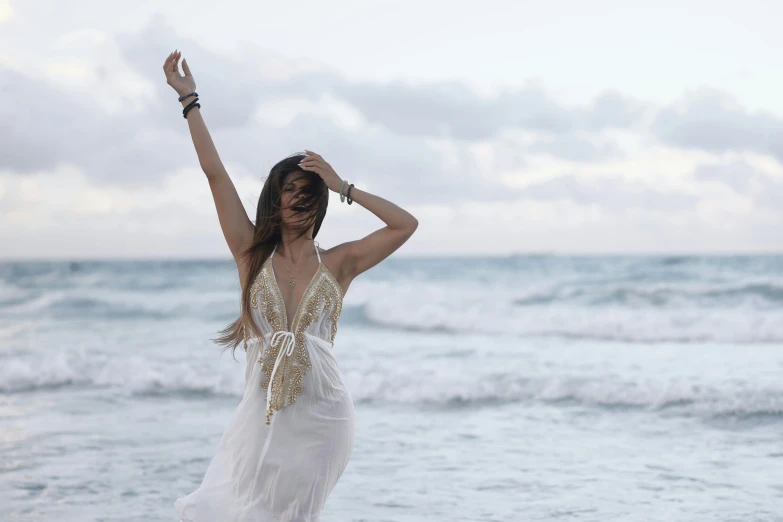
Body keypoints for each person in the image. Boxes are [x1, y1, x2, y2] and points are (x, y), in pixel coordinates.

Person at [162, 50, 418, 521]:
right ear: (275, 199)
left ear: (320, 205)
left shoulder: (340, 263)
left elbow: (405, 224)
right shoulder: (249, 253)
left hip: (325, 418)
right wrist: (190, 101)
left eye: (308, 194)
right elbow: (215, 173)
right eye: (290, 192)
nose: (299, 201)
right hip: (259, 419)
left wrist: (343, 186)